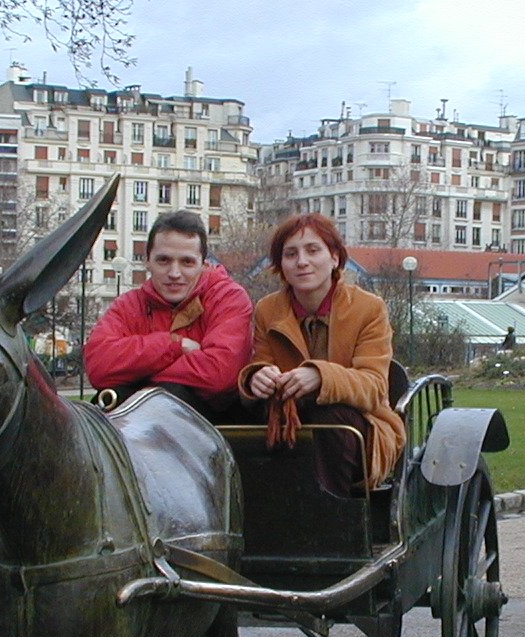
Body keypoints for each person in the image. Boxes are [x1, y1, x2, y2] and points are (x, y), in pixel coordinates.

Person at [239, 213, 405, 494]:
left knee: (331, 419)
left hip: (361, 427)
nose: (301, 261)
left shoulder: (369, 309)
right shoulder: (268, 310)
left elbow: (375, 386)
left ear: (335, 258)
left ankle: (332, 518)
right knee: (247, 420)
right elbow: (261, 362)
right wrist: (257, 378)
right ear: (281, 265)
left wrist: (320, 377)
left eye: (313, 250)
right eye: (290, 254)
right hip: (290, 422)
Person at [83, 210, 253, 420]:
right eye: (163, 260)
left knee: (167, 396)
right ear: (147, 261)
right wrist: (175, 346)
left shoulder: (228, 298)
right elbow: (99, 367)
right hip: (140, 426)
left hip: (210, 423)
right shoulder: (129, 304)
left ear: (204, 264)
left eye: (187, 262)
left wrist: (135, 383)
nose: (174, 273)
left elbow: (219, 374)